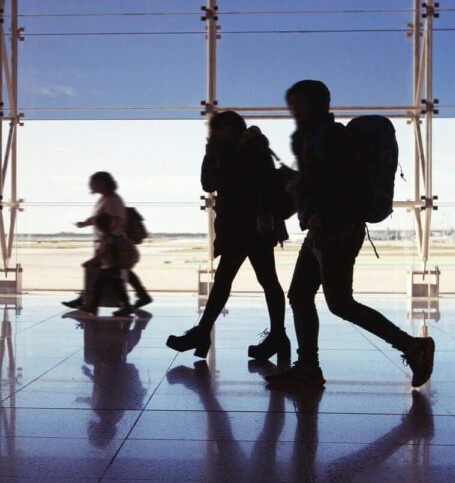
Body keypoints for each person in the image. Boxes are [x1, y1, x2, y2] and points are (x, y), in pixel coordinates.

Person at [265, 80, 434, 388]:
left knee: (339, 303)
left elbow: (345, 186)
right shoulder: (312, 137)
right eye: (292, 104)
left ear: (317, 104)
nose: (294, 110)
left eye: (299, 104)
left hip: (335, 230)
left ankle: (413, 346)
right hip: (320, 230)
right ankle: (307, 368)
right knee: (301, 295)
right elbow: (319, 184)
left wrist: (319, 211)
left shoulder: (331, 137)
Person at [166, 110, 290, 360]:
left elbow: (262, 185)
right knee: (239, 280)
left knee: (260, 280)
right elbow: (208, 184)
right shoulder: (226, 151)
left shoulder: (254, 147)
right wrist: (210, 153)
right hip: (237, 227)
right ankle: (275, 337)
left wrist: (265, 220)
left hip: (254, 227)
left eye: (216, 130)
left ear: (231, 128)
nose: (212, 135)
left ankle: (274, 336)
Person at [62, 171, 152, 312]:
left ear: (102, 183)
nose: (91, 185)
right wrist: (84, 224)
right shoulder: (104, 199)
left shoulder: (112, 200)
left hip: (112, 244)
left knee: (107, 274)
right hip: (106, 242)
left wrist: (108, 238)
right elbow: (100, 219)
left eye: (93, 182)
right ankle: (88, 300)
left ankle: (89, 301)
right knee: (113, 274)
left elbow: (115, 219)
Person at [80, 211, 140, 317]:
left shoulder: (108, 238)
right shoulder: (109, 237)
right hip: (109, 268)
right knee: (101, 286)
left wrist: (91, 261)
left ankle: (126, 306)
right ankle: (94, 306)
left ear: (98, 226)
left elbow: (105, 252)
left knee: (115, 288)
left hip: (111, 268)